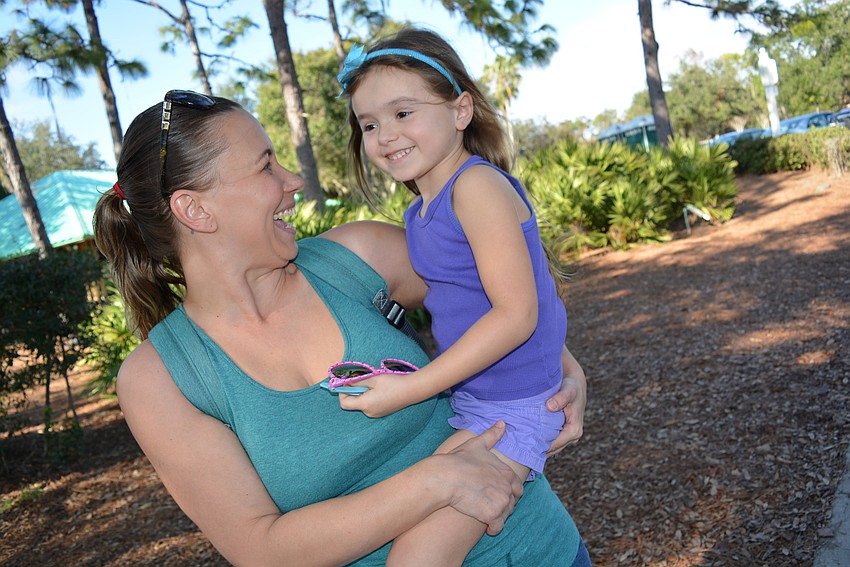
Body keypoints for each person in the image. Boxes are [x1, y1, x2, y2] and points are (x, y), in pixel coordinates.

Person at [93, 89, 589, 566]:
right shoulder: (162, 380)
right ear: (194, 209)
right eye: (266, 165)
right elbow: (261, 549)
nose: (293, 180)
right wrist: (438, 481)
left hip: (546, 550)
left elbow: (508, 288)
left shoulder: (356, 259)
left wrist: (561, 370)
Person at [337, 27, 587, 566]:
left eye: (403, 113)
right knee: (409, 517)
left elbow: (517, 313)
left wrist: (409, 389)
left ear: (461, 110)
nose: (385, 135)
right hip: (480, 402)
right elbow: (510, 294)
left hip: (515, 410)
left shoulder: (476, 187)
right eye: (370, 124)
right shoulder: (420, 213)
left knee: (418, 557)